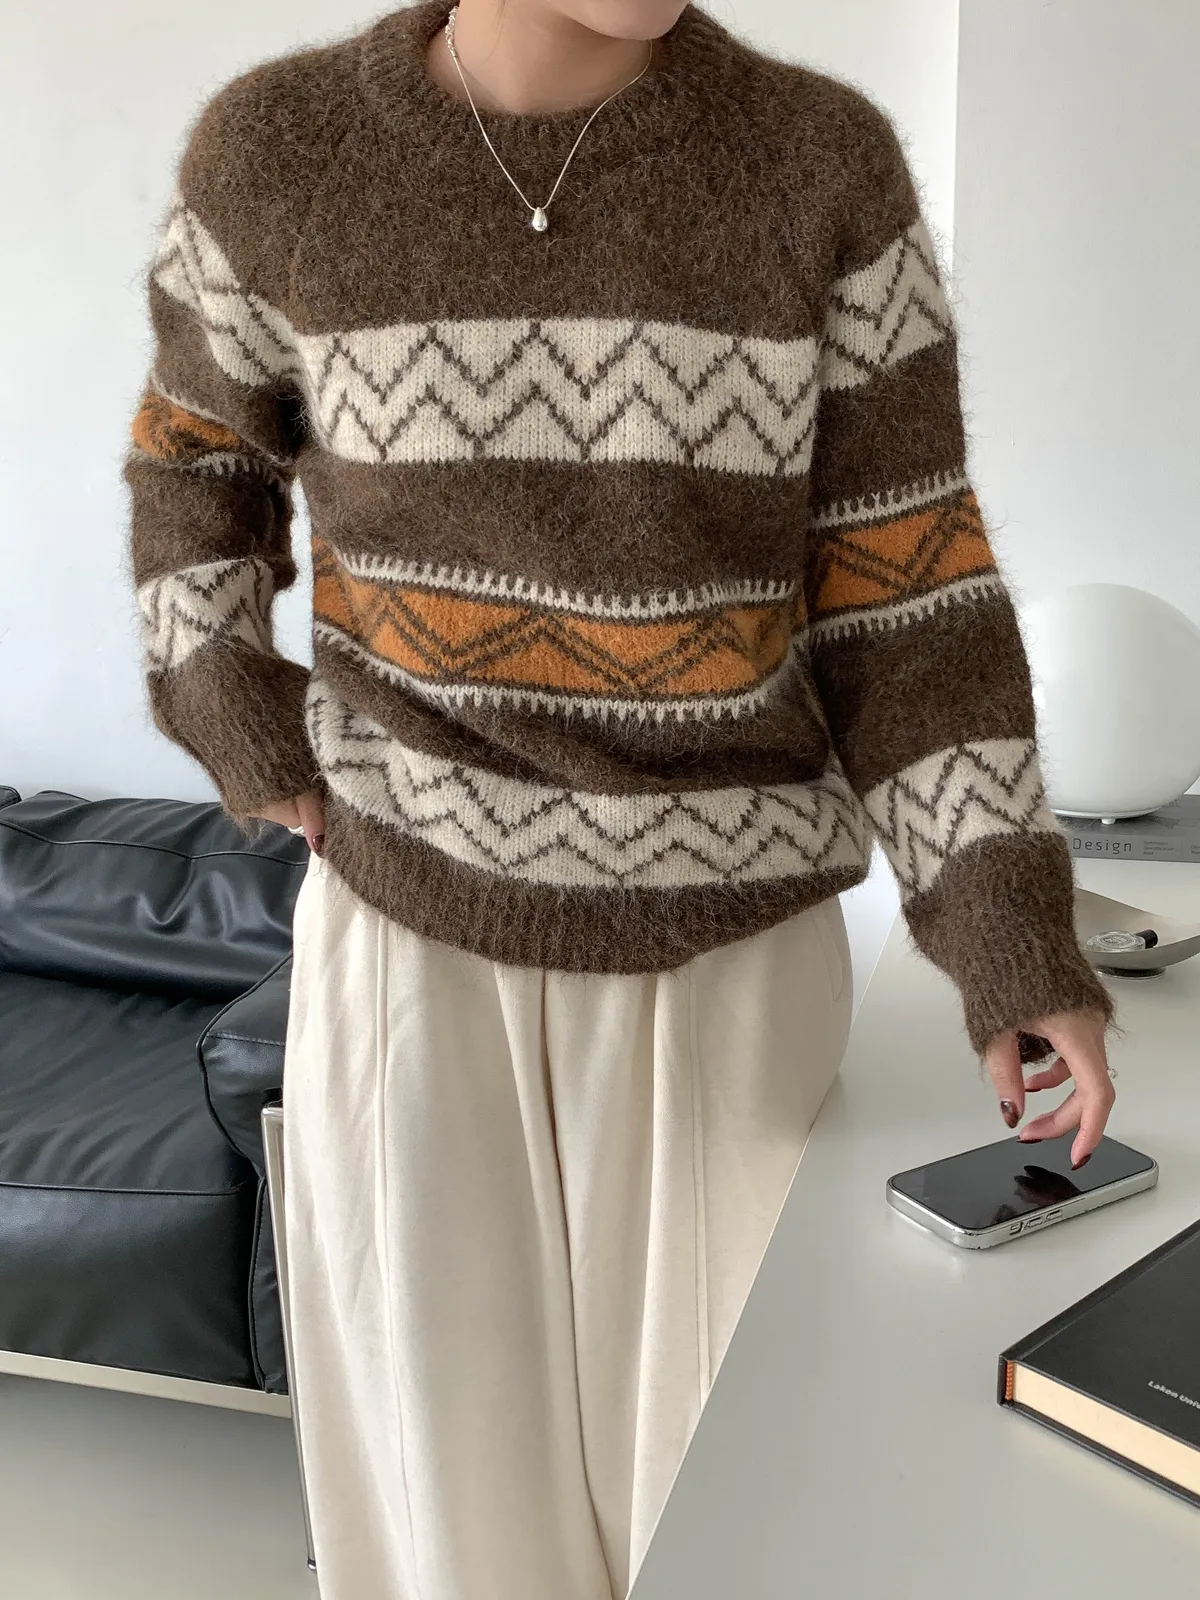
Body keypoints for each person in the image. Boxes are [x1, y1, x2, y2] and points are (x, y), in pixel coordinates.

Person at [123, 1, 1117, 1594]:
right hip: (407, 952)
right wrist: (241, 720)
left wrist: (1010, 936)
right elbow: (193, 468)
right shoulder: (279, 153)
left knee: (727, 1520)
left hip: (728, 971)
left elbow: (908, 596)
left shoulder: (819, 166)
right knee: (448, 1530)